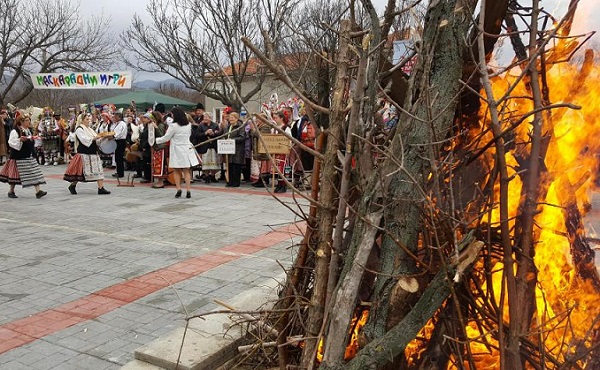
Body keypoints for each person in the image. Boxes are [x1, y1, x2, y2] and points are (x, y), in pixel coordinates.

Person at [0, 113, 48, 198]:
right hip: (18, 157)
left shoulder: (28, 130)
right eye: (26, 120)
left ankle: (38, 191)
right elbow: (11, 142)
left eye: (29, 120)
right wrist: (20, 140)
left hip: (27, 156)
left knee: (34, 173)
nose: (29, 122)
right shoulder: (15, 131)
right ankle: (11, 191)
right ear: (21, 122)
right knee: (14, 175)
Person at [155, 107, 199, 198]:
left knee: (176, 170)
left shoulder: (173, 126)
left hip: (177, 149)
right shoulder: (188, 125)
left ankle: (178, 189)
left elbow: (166, 137)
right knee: (186, 170)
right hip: (186, 148)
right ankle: (188, 190)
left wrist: (156, 140)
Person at [63, 113, 111, 195]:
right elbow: (84, 140)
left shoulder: (90, 129)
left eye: (89, 119)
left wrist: (103, 137)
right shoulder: (79, 129)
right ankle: (72, 185)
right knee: (80, 172)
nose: (89, 121)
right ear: (81, 120)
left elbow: (97, 141)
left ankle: (101, 188)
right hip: (84, 154)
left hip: (93, 153)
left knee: (98, 170)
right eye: (87, 119)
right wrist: (96, 137)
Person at [193, 112, 221, 183]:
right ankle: (207, 176)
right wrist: (205, 133)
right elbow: (197, 135)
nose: (205, 118)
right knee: (206, 162)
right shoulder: (201, 126)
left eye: (206, 117)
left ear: (210, 118)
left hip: (214, 146)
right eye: (204, 117)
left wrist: (214, 133)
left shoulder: (215, 125)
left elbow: (219, 133)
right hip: (205, 146)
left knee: (215, 162)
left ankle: (213, 176)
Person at [224, 112, 246, 187]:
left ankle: (236, 182)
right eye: (230, 117)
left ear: (236, 119)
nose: (230, 119)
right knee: (229, 165)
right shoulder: (228, 126)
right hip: (229, 149)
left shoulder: (240, 126)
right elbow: (224, 135)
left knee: (236, 166)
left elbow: (242, 137)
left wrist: (232, 140)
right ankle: (230, 181)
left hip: (238, 149)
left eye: (232, 117)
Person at [111, 112, 128, 178]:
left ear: (119, 117)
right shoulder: (117, 124)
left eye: (116, 117)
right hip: (117, 141)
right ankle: (118, 171)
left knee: (119, 157)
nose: (114, 118)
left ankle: (120, 173)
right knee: (117, 157)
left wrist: (113, 136)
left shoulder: (122, 124)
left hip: (120, 141)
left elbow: (119, 133)